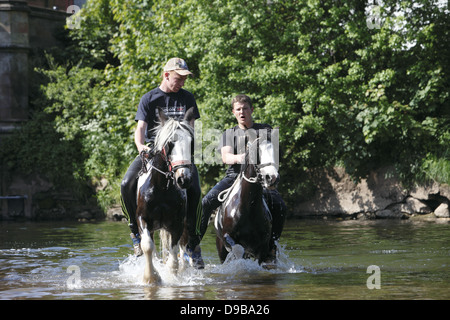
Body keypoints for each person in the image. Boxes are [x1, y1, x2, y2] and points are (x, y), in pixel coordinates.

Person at [120, 58, 204, 269]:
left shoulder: (188, 98)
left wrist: (188, 153)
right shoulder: (149, 98)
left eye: (185, 79)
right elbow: (140, 129)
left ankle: (192, 240)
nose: (182, 83)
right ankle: (135, 232)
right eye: (179, 78)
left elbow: (192, 129)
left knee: (195, 190)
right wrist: (141, 147)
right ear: (166, 75)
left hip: (180, 154)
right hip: (153, 152)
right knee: (125, 183)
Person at [200, 94, 287, 258]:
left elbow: (274, 153)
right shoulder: (229, 133)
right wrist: (246, 157)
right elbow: (226, 158)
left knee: (280, 205)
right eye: (238, 109)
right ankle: (194, 244)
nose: (242, 112)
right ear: (233, 112)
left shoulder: (265, 130)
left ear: (251, 110)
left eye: (245, 108)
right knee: (205, 203)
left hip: (260, 179)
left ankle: (272, 245)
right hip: (233, 176)